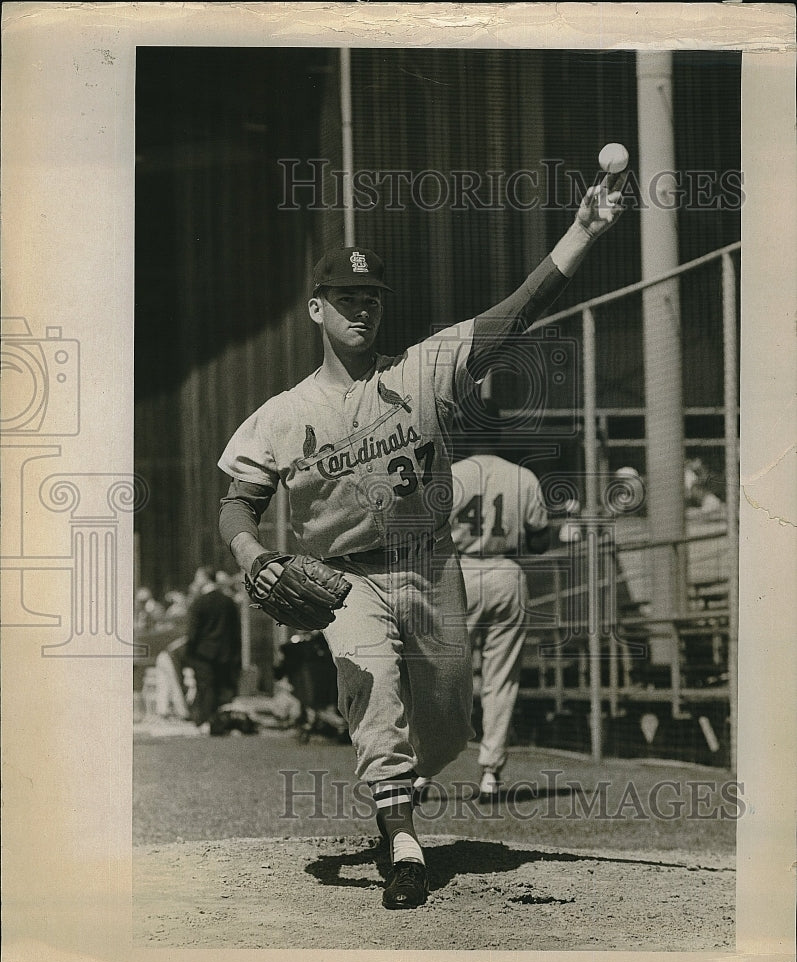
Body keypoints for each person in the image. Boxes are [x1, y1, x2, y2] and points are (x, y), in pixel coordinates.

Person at [217, 177, 625, 909]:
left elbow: (516, 313)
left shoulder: (423, 370)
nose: (361, 306)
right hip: (343, 579)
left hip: (433, 567)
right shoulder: (282, 414)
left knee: (449, 729)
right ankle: (404, 844)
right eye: (345, 297)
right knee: (371, 692)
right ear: (317, 309)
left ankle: (393, 798)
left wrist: (582, 233)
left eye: (371, 295)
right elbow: (237, 504)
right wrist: (254, 555)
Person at [450, 447, 550, 802]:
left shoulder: (453, 473)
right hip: (506, 572)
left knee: (442, 674)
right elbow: (540, 540)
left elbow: (428, 534)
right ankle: (490, 773)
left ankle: (420, 773)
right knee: (502, 679)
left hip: (458, 572)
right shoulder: (522, 475)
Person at [184, 567, 242, 733]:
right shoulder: (228, 602)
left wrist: (189, 654)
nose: (195, 580)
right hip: (225, 653)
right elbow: (235, 630)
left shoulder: (199, 602)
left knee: (205, 687)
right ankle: (220, 721)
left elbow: (193, 632)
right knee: (221, 686)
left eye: (197, 577)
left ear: (204, 578)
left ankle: (206, 722)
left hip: (203, 653)